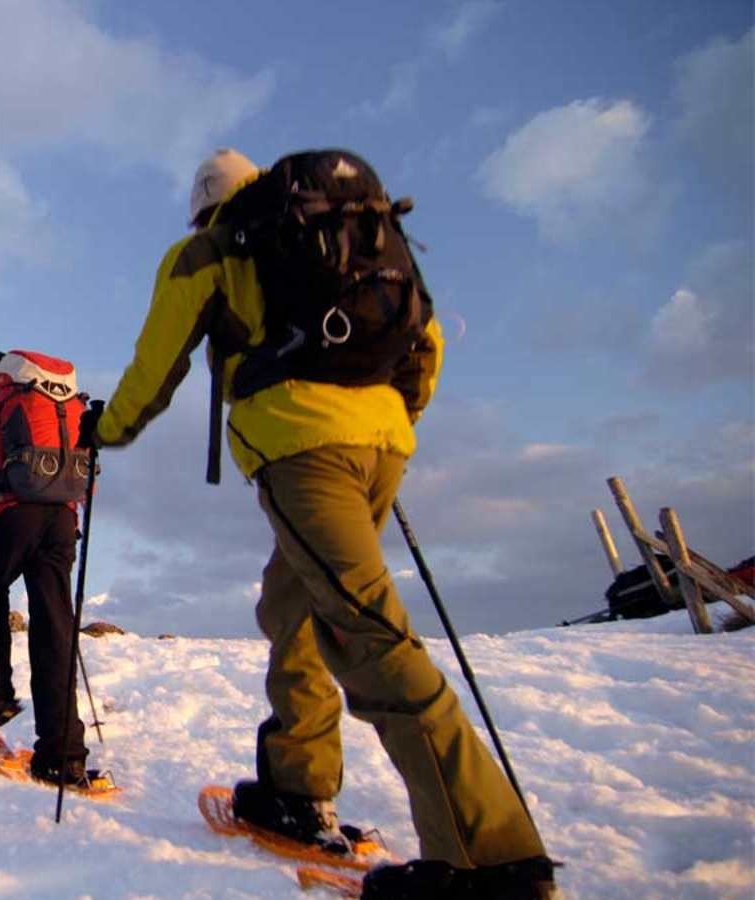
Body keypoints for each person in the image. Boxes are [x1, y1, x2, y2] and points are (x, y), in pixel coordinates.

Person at [79, 149, 559, 898]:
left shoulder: (210, 249)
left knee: (370, 635)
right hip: (380, 439)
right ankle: (298, 789)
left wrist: (102, 429)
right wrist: (389, 418)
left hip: (304, 449)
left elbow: (154, 370)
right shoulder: (353, 232)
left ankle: (489, 861)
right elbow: (424, 339)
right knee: (293, 604)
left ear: (204, 205)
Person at [0, 349, 95, 787]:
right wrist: (70, 518)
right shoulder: (67, 409)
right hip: (62, 520)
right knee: (55, 630)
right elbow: (84, 468)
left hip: (10, 517)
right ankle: (64, 756)